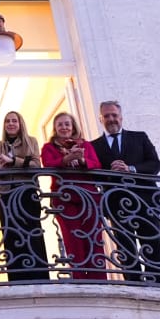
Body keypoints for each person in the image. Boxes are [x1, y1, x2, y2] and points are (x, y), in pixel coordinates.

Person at [88, 101, 160, 283]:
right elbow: (92, 175)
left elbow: (154, 164)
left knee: (151, 243)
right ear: (100, 119)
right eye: (106, 116)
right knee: (125, 249)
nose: (111, 119)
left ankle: (156, 286)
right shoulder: (94, 146)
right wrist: (108, 172)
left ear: (121, 117)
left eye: (114, 115)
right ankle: (134, 285)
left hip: (145, 201)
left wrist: (131, 169)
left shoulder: (139, 137)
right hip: (115, 204)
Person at [0, 111, 49, 283]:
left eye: (14, 120)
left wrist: (14, 161)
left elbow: (37, 166)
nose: (11, 124)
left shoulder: (31, 142)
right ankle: (17, 280)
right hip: (7, 196)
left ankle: (40, 278)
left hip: (27, 195)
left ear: (20, 123)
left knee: (33, 234)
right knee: (11, 237)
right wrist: (0, 169)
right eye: (7, 121)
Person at [42, 110, 102, 279]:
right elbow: (47, 164)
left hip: (88, 196)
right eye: (60, 124)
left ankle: (99, 278)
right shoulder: (49, 147)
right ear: (55, 127)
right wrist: (65, 160)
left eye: (67, 124)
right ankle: (79, 277)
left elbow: (96, 164)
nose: (64, 127)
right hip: (64, 198)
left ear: (73, 126)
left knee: (94, 237)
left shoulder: (85, 145)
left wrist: (82, 160)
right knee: (72, 237)